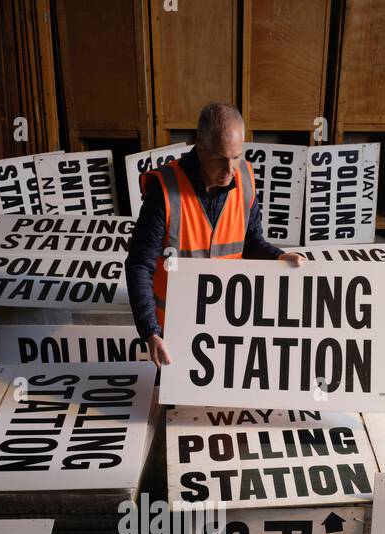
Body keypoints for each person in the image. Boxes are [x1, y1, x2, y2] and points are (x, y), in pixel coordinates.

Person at [125, 102, 304, 367]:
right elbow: (139, 265)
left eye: (236, 156)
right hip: (174, 328)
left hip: (225, 324)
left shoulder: (244, 180)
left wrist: (278, 256)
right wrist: (150, 331)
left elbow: (252, 241)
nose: (230, 169)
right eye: (220, 158)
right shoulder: (164, 191)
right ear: (199, 147)